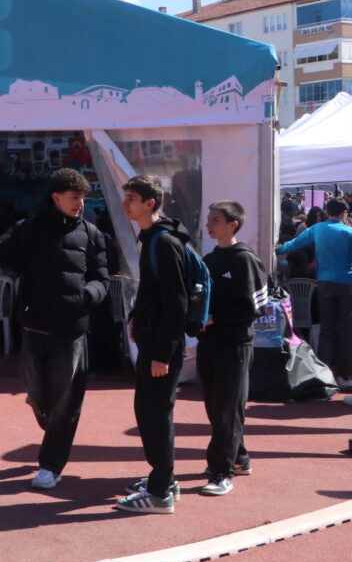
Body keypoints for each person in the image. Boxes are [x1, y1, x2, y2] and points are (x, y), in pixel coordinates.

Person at [0, 168, 109, 490]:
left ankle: (50, 466)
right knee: (40, 396)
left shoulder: (92, 234)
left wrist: (88, 295)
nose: (80, 204)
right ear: (56, 197)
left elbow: (103, 278)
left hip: (71, 331)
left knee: (66, 401)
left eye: (83, 198)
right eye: (74, 197)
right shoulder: (27, 230)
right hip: (34, 328)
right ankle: (48, 418)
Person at [116, 174, 189, 514]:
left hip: (162, 349)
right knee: (148, 412)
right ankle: (164, 479)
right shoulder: (152, 239)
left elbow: (177, 303)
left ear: (150, 203)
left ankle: (160, 494)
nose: (125, 204)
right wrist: (136, 316)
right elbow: (152, 291)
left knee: (155, 416)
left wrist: (162, 353)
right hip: (153, 342)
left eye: (131, 198)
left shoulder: (164, 242)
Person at [198, 201, 267, 496]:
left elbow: (257, 307)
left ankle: (221, 472)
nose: (208, 225)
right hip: (209, 343)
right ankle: (239, 458)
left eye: (215, 220)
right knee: (215, 407)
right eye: (209, 219)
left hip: (235, 344)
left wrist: (215, 317)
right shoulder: (209, 259)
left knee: (228, 408)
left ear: (232, 224)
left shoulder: (245, 260)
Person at [276, 198, 352, 389]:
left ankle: (323, 374)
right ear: (344, 213)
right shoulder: (349, 232)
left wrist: (277, 250)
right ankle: (345, 374)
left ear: (327, 211)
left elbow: (294, 244)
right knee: (345, 329)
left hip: (324, 283)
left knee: (326, 329)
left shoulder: (317, 229)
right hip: (347, 283)